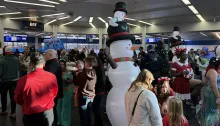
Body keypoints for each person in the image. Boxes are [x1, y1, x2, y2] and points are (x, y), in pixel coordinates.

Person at [14, 52, 58, 126]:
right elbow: (54, 93)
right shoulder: (52, 77)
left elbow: (18, 99)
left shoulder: (23, 80)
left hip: (30, 114)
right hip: (47, 112)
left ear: (31, 64)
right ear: (44, 63)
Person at [196, 57, 220, 126]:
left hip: (211, 91)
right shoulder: (213, 71)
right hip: (212, 93)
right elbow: (213, 85)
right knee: (212, 110)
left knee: (210, 109)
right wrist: (218, 97)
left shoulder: (212, 70)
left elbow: (206, 82)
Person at [44, 49, 63, 126]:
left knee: (51, 110)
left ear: (50, 55)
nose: (44, 56)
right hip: (55, 91)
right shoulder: (54, 64)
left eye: (46, 54)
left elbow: (48, 79)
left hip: (52, 92)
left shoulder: (52, 65)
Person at [76, 56, 97, 126]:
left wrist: (76, 75)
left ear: (87, 64)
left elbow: (76, 83)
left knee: (83, 115)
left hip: (84, 97)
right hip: (91, 96)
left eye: (85, 62)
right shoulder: (94, 72)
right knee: (89, 113)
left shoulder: (81, 74)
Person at [0, 46, 20, 118]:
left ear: (5, 52)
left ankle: (4, 110)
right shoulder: (17, 59)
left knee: (3, 96)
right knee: (13, 97)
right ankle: (13, 113)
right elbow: (18, 69)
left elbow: (0, 73)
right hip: (14, 81)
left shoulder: (2, 60)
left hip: (4, 81)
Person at [56, 59, 73, 126]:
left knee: (65, 108)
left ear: (65, 65)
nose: (62, 66)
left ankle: (65, 123)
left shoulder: (68, 72)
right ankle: (59, 121)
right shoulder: (56, 72)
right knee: (58, 107)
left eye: (63, 64)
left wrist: (64, 79)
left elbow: (71, 81)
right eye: (60, 64)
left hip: (67, 92)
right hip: (59, 92)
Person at [93, 56, 106, 126]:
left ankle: (99, 123)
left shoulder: (99, 69)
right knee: (96, 108)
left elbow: (100, 81)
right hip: (99, 90)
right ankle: (98, 123)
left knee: (96, 108)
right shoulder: (99, 68)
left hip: (98, 91)